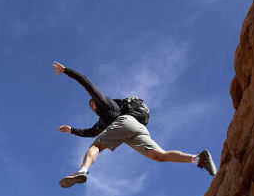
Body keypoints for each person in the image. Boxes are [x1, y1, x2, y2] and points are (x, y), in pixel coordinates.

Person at [52, 61, 217, 188]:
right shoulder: (102, 121)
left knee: (94, 148)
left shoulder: (106, 104)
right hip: (136, 129)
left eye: (92, 104)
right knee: (159, 155)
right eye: (91, 106)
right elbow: (92, 131)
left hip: (124, 123)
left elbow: (87, 83)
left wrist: (67, 71)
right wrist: (72, 130)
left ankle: (82, 171)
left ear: (95, 102)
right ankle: (198, 159)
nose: (92, 107)